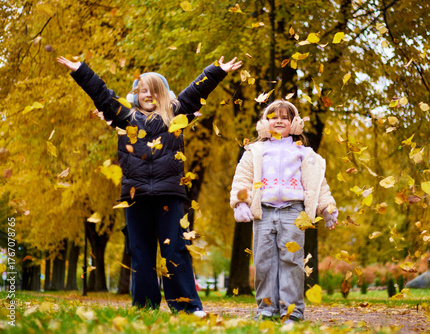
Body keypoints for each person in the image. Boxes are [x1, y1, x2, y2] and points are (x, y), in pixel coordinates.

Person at [57, 55, 242, 316]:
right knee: (141, 253)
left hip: (170, 195)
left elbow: (195, 91)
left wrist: (216, 71)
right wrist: (80, 70)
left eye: (155, 91)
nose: (149, 95)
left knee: (175, 251)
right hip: (136, 196)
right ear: (136, 95)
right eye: (144, 91)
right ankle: (144, 306)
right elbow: (102, 94)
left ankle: (187, 307)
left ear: (164, 95)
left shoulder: (174, 115)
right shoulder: (124, 116)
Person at [230, 99, 338, 323]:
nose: (279, 120)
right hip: (264, 213)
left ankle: (292, 312)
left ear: (294, 124)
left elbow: (318, 185)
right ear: (265, 123)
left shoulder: (304, 153)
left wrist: (327, 209)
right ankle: (266, 310)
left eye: (285, 117)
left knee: (291, 261)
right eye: (274, 117)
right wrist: (240, 203)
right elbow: (243, 178)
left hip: (293, 213)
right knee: (263, 262)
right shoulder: (255, 151)